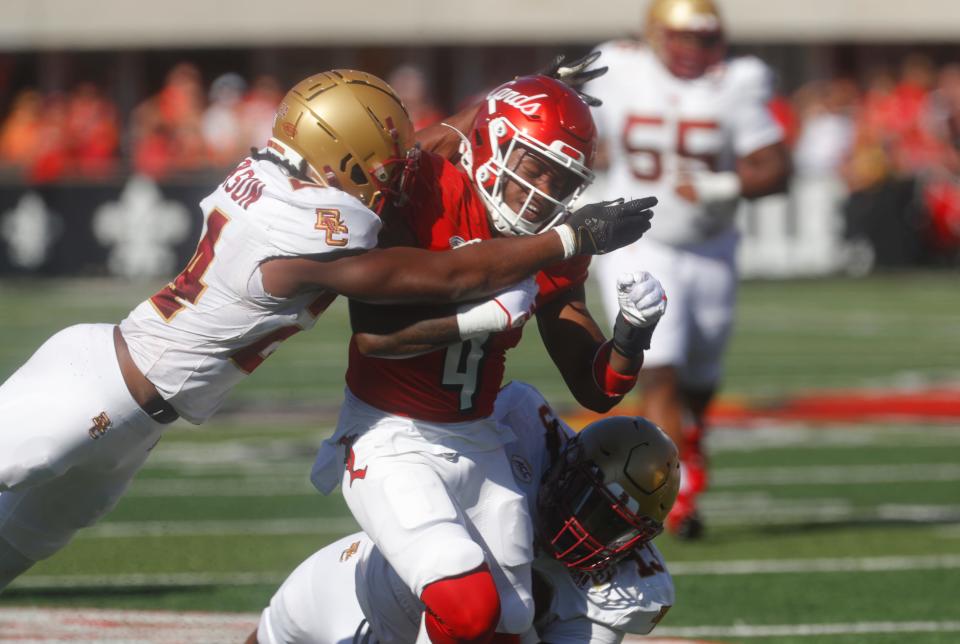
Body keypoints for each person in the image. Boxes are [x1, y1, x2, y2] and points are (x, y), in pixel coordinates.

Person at [0, 69, 657, 591]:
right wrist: (568, 237)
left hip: (137, 412)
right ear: (343, 160)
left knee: (19, 545)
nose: (392, 177)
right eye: (381, 165)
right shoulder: (304, 228)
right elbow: (438, 277)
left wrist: (505, 99)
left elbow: (429, 146)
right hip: (94, 392)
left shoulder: (277, 177)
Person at [310, 73, 666, 643]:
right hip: (389, 433)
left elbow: (594, 387)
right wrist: (482, 318)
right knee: (469, 608)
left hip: (477, 438)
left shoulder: (555, 238)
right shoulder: (427, 188)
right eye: (533, 166)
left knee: (510, 622)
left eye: (562, 179)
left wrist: (631, 336)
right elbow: (376, 336)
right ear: (493, 141)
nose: (544, 191)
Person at [252, 381, 679, 644]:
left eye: (613, 528)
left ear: (640, 539)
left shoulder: (626, 589)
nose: (587, 532)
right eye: (590, 507)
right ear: (563, 469)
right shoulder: (513, 447)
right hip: (350, 588)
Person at [582, 0, 791, 538]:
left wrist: (718, 187)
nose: (695, 50)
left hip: (711, 246)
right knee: (662, 369)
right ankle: (671, 493)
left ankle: (689, 441)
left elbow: (776, 169)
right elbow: (570, 120)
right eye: (685, 38)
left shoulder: (736, 83)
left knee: (700, 378)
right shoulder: (620, 67)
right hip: (638, 240)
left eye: (705, 38)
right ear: (656, 35)